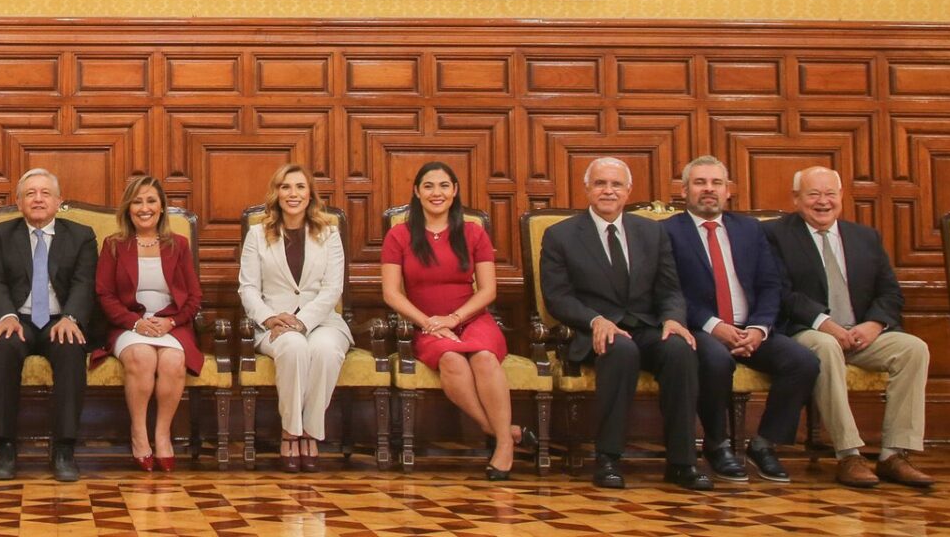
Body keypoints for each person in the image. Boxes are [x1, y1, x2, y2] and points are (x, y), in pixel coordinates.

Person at [539, 157, 709, 491]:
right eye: (600, 183)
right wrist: (595, 319)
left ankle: (682, 462)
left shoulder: (652, 231)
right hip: (594, 331)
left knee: (680, 350)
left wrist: (674, 319)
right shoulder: (561, 235)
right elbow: (557, 297)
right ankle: (608, 459)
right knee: (620, 350)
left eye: (616, 184)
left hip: (646, 326)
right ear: (587, 189)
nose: (608, 191)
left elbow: (670, 289)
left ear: (628, 190)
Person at [765, 165, 935, 488]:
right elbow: (780, 292)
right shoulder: (775, 235)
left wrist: (874, 324)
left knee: (914, 349)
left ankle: (894, 454)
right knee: (826, 346)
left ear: (842, 196)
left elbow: (890, 293)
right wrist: (825, 323)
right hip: (808, 330)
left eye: (830, 193)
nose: (823, 202)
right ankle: (849, 454)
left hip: (861, 333)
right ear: (796, 198)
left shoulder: (865, 237)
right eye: (813, 194)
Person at [663, 155, 819, 484]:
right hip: (700, 329)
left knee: (803, 361)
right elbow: (668, 290)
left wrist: (759, 328)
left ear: (728, 190)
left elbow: (770, 284)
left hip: (751, 329)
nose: (709, 189)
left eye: (716, 183)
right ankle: (717, 444)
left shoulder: (749, 229)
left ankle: (764, 444)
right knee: (716, 360)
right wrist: (714, 326)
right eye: (700, 183)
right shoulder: (666, 232)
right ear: (684, 190)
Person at [379, 161, 525, 479]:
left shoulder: (473, 233)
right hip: (426, 323)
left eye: (444, 185)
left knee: (484, 358)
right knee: (452, 360)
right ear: (417, 192)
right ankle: (499, 430)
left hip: (472, 318)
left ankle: (503, 446)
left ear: (455, 191)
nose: (437, 192)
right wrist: (429, 323)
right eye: (429, 186)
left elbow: (488, 290)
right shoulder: (399, 235)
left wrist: (454, 318)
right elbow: (391, 293)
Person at [0, 168, 97, 482]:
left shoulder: (81, 235)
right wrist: (6, 316)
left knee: (70, 347)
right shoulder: (1, 234)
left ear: (59, 201)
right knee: (3, 347)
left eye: (45, 193)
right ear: (19, 202)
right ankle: (5, 447)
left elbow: (84, 283)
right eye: (30, 193)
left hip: (60, 319)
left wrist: (71, 317)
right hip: (17, 318)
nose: (38, 199)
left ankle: (64, 448)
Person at [237, 163, 352, 473]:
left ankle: (311, 431)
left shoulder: (329, 233)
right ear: (276, 193)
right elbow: (248, 288)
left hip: (323, 321)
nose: (293, 193)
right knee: (294, 347)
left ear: (310, 194)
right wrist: (269, 318)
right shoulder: (257, 234)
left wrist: (303, 321)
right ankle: (290, 430)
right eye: (285, 187)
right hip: (274, 324)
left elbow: (333, 289)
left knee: (325, 350)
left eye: (300, 187)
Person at [96, 174, 202, 472]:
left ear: (162, 206)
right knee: (142, 357)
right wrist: (136, 323)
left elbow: (194, 296)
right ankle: (139, 434)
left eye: (151, 201)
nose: (144, 208)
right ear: (128, 208)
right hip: (128, 325)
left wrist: (171, 322)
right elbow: (104, 294)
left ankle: (163, 434)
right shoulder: (114, 245)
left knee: (172, 361)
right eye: (137, 202)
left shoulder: (178, 245)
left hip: (171, 326)